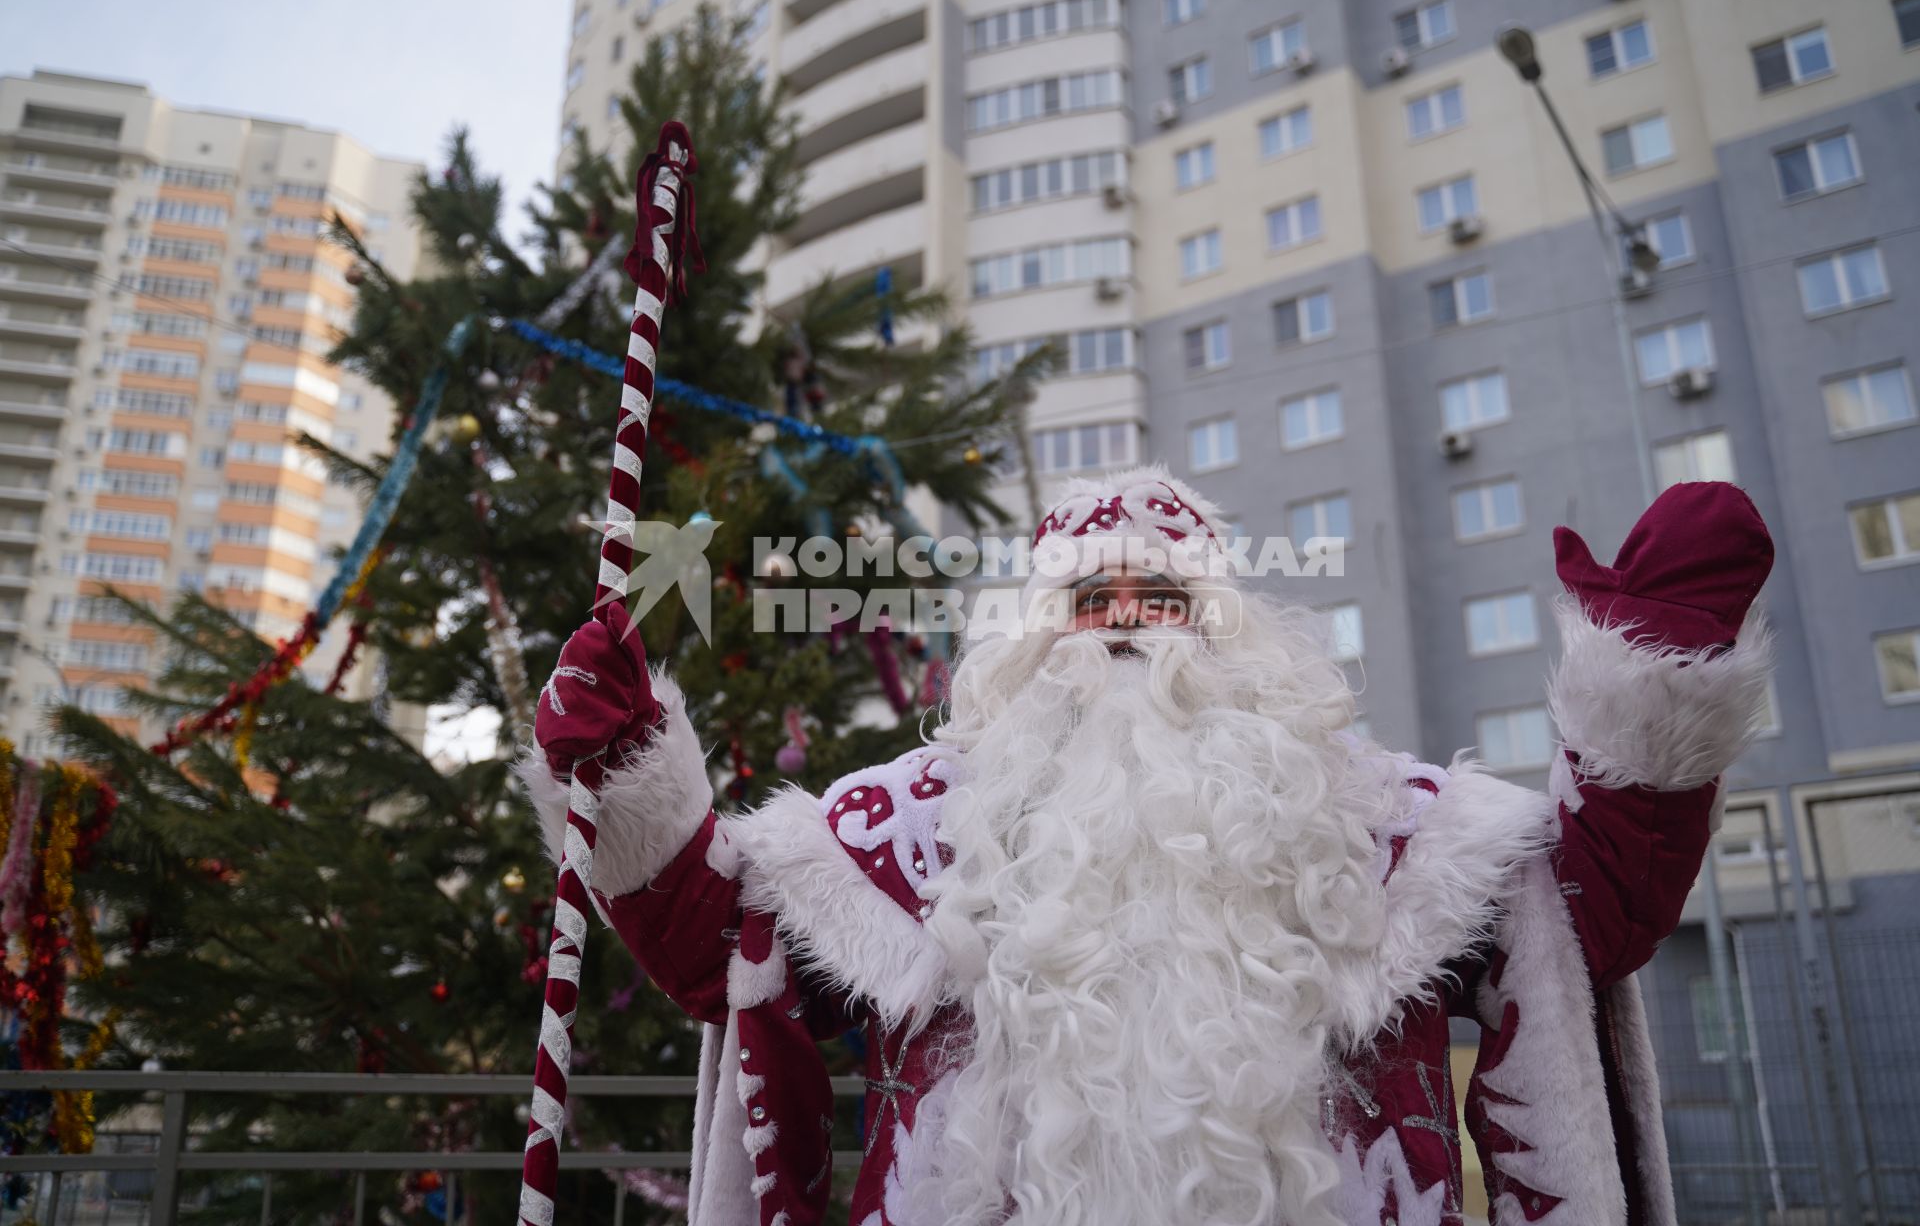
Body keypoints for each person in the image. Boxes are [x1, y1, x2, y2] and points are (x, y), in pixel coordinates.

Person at [520, 466, 1775, 1226]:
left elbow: (1593, 920)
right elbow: (706, 954)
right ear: (1032, 635)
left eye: (1162, 600)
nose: (1125, 625)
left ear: (1227, 629)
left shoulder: (1388, 826)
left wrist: (1649, 699)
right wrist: (624, 770)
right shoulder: (905, 829)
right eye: (1089, 600)